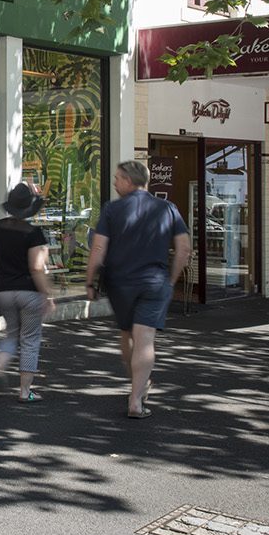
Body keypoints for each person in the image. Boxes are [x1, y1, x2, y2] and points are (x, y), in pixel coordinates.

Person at [85, 159, 192, 420]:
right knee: (145, 338)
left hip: (120, 283)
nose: (114, 183)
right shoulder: (167, 208)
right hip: (154, 282)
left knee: (127, 333)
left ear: (129, 181)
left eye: (117, 178)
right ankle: (136, 399)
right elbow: (184, 248)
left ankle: (137, 384)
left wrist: (89, 281)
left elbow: (98, 248)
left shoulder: (112, 209)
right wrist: (171, 280)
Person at [0, 182, 56, 402]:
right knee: (30, 339)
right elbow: (36, 267)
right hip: (29, 292)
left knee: (11, 334)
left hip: (4, 290)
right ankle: (25, 391)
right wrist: (48, 295)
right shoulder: (34, 233)